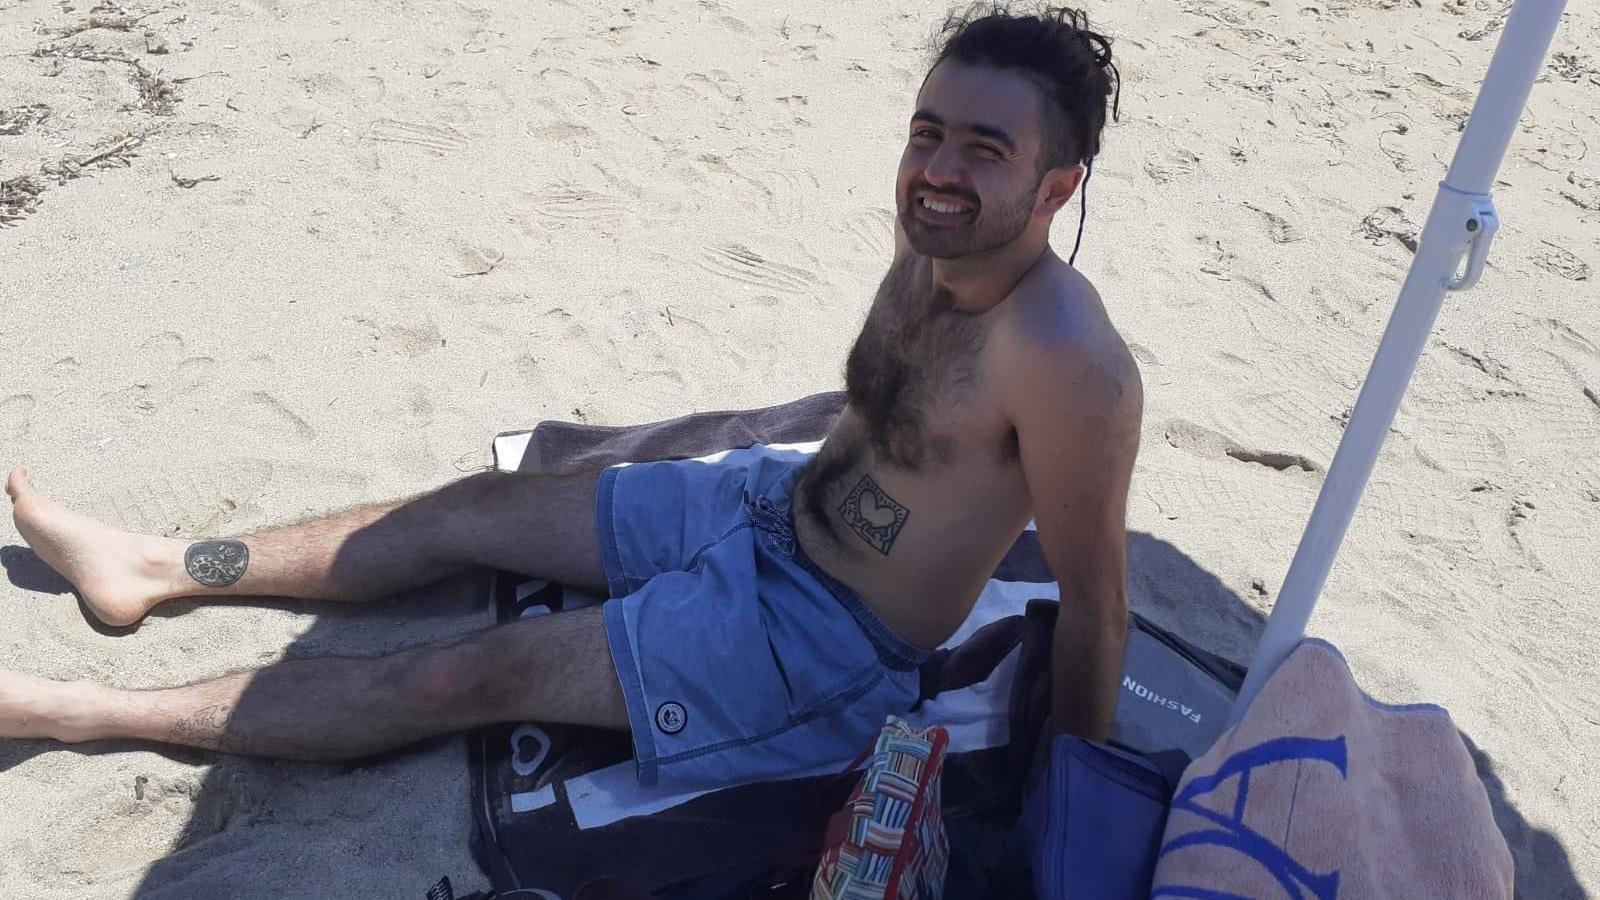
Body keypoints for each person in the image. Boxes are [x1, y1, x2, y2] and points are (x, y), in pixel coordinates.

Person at [1, 5, 1139, 788]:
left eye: (983, 149)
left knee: (467, 673)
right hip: (768, 505)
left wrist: (1065, 799)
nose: (938, 170)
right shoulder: (931, 241)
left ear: (1057, 183)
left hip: (819, 637)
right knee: (473, 510)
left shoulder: (1069, 364)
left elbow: (1094, 607)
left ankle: (80, 710)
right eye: (926, 133)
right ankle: (158, 568)